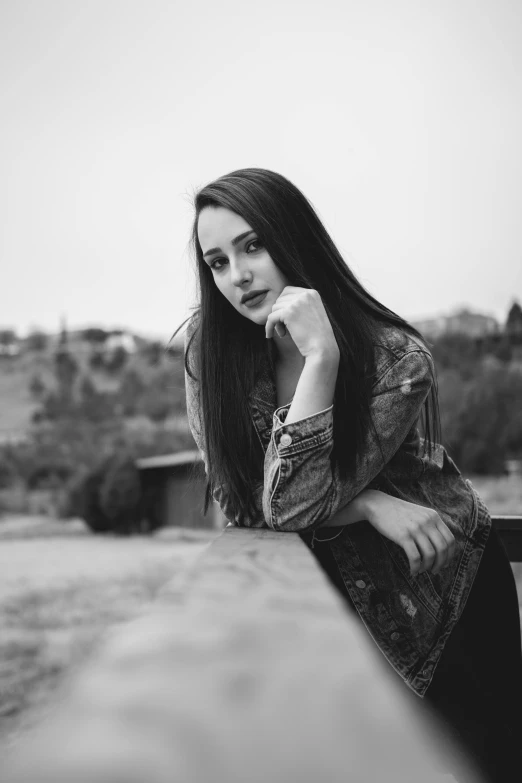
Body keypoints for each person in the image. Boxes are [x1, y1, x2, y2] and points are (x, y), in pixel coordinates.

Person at [179, 167, 522, 782]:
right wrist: (370, 504)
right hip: (331, 603)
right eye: (218, 261)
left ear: (293, 238)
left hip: (445, 590)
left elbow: (287, 505)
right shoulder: (209, 357)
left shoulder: (397, 359)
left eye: (253, 245)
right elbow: (250, 504)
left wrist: (324, 355)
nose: (239, 275)